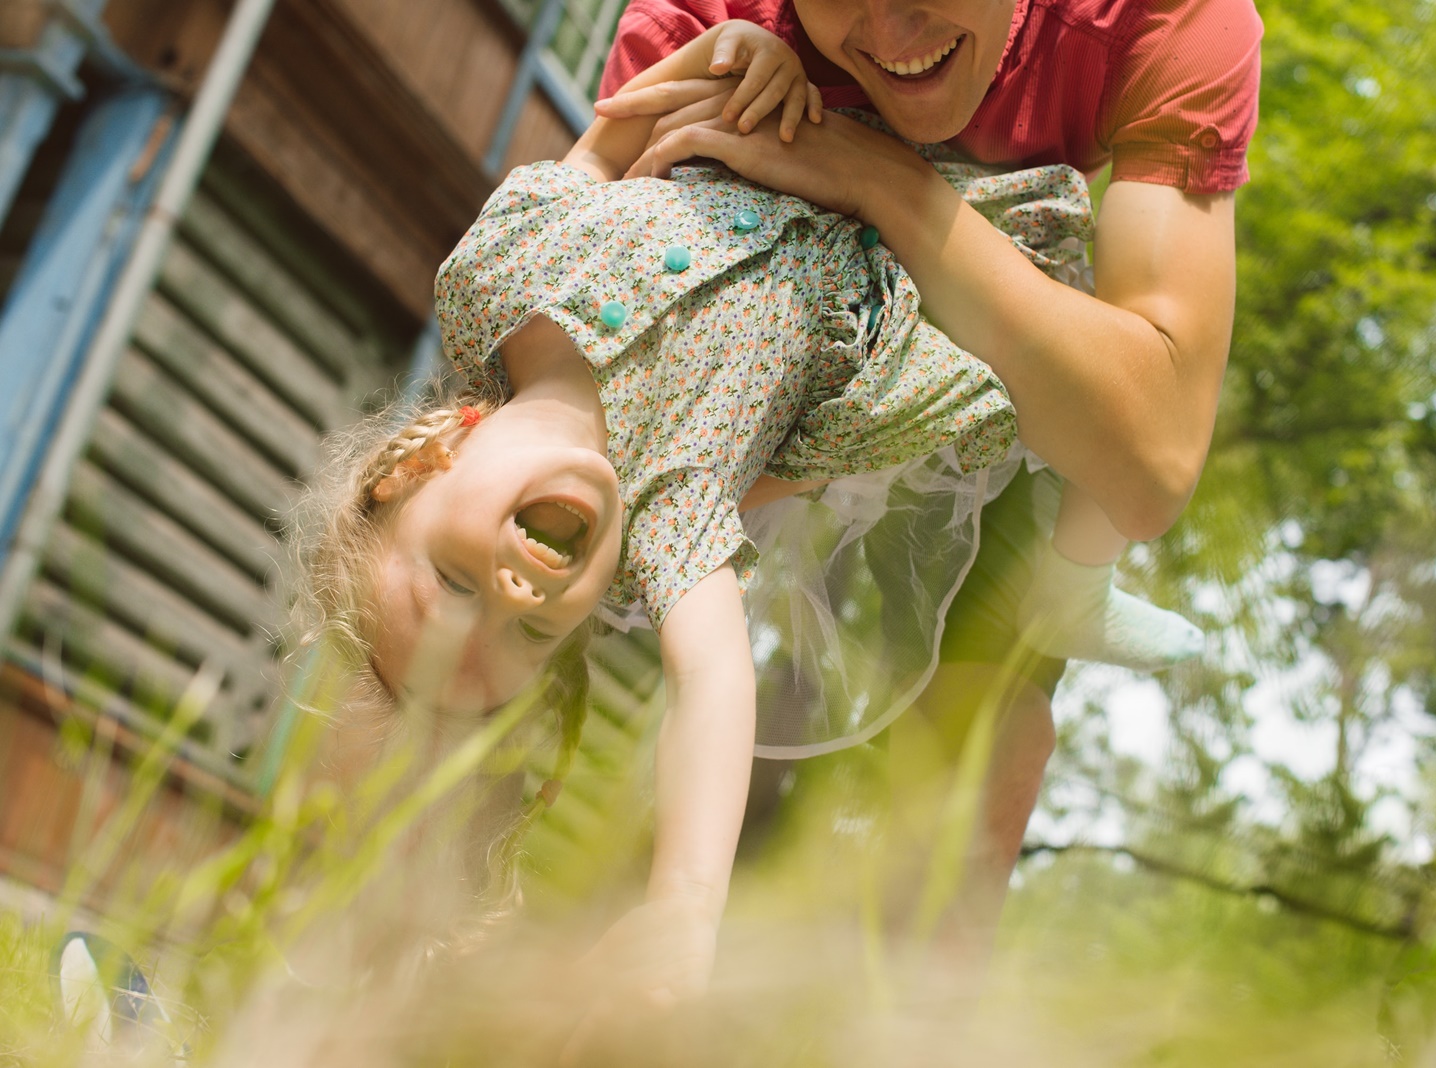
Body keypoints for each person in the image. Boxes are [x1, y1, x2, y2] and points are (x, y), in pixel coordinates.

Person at [284, 17, 1210, 1007]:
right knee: (1068, 412)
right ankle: (1077, 577)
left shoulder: (484, 282)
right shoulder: (668, 515)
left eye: (457, 582)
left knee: (1112, 415)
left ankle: (1076, 571)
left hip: (784, 142)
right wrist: (685, 905)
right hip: (903, 294)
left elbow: (608, 137)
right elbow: (711, 688)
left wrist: (727, 50)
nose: (514, 591)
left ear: (414, 468)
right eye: (535, 632)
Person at [593, 0, 1263, 954]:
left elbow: (1151, 461)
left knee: (995, 742)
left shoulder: (1166, 17)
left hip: (1006, 365)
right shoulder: (700, 24)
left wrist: (883, 182)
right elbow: (616, 424)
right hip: (773, 376)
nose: (894, 39)